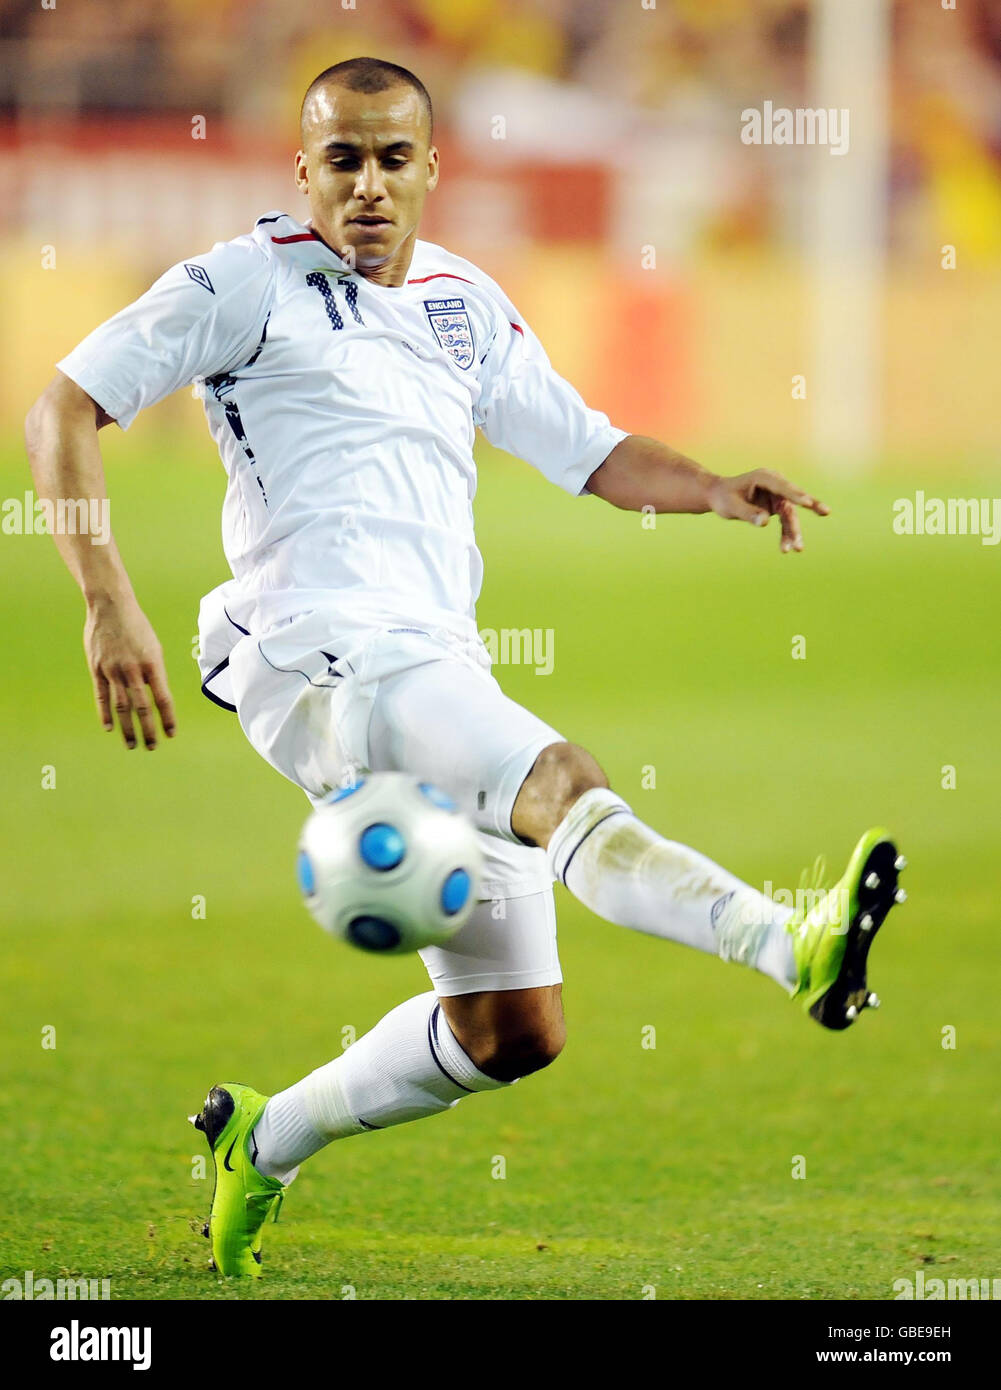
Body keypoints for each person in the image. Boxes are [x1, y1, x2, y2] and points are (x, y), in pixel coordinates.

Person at [25, 57, 905, 1279]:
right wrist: (106, 603)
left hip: (434, 662)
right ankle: (787, 943)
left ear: (433, 170)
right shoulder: (242, 282)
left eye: (394, 159)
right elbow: (61, 409)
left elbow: (588, 448)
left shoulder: (463, 302)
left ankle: (260, 1140)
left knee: (509, 1031)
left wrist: (710, 488)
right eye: (343, 159)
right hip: (317, 662)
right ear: (303, 170)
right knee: (559, 776)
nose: (369, 186)